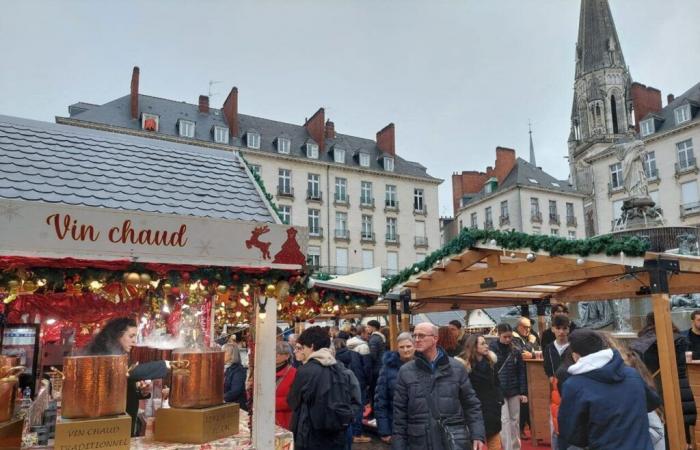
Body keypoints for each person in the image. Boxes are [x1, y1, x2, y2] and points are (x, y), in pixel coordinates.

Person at [558, 329, 661, 450]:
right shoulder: (631, 374)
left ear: (575, 355)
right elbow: (653, 402)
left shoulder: (574, 385)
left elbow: (571, 434)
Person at [392, 322, 485, 450]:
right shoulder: (405, 371)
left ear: (435, 338)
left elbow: (471, 404)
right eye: (415, 336)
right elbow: (399, 414)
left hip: (451, 440)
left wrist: (477, 435)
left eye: (422, 336)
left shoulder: (456, 368)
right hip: (420, 441)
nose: (417, 339)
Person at [84, 317, 170, 437]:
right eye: (131, 336)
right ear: (117, 335)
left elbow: (123, 383)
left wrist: (139, 391)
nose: (134, 341)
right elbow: (123, 372)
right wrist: (165, 364)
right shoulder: (103, 355)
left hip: (124, 419)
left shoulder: (120, 353)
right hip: (108, 423)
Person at [288, 326, 362, 450]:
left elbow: (293, 402)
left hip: (310, 437)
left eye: (302, 347)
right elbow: (356, 402)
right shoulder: (342, 369)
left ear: (311, 346)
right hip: (337, 436)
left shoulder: (305, 371)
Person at [631, 312, 696, 448]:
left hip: (651, 390)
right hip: (678, 387)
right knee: (679, 427)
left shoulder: (638, 345)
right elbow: (680, 370)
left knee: (658, 430)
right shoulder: (678, 340)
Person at [458, 334, 503, 450]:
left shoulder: (491, 363)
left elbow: (497, 383)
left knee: (495, 444)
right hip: (474, 411)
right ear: (473, 347)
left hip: (492, 410)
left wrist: (499, 400)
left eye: (486, 343)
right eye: (482, 343)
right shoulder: (463, 367)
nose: (486, 346)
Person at [489, 323, 527, 450]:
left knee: (515, 421)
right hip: (499, 390)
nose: (508, 339)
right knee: (504, 421)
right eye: (505, 337)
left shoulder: (515, 349)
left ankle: (516, 447)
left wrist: (523, 391)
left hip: (514, 389)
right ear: (498, 335)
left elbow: (521, 372)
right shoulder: (491, 350)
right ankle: (508, 448)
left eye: (510, 337)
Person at [374, 332, 415, 444]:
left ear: (414, 346)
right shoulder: (387, 369)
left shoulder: (422, 366)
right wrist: (384, 431)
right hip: (396, 425)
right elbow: (380, 401)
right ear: (397, 348)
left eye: (408, 346)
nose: (405, 350)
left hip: (419, 426)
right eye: (402, 347)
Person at [542, 315, 571, 450]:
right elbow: (547, 368)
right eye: (558, 328)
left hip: (571, 387)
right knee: (555, 424)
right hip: (555, 389)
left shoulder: (573, 347)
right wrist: (551, 378)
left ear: (568, 329)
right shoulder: (548, 348)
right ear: (553, 329)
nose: (561, 332)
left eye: (564, 328)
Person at [333, 338, 370, 444]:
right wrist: (367, 381)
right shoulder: (354, 354)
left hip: (341, 387)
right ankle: (357, 433)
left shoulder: (332, 358)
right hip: (358, 383)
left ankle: (350, 433)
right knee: (358, 407)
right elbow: (364, 368)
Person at [512, 317, 538, 440]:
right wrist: (531, 344)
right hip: (520, 375)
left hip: (532, 375)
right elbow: (521, 354)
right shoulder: (514, 338)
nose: (528, 330)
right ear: (518, 326)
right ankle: (521, 429)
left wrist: (532, 353)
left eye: (529, 327)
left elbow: (537, 352)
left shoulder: (530, 337)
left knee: (530, 403)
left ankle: (534, 429)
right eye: (525, 327)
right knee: (523, 404)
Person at [275, 341, 297, 430]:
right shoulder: (265, 370)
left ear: (287, 356)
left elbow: (292, 400)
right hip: (264, 417)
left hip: (283, 420)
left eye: (278, 353)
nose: (275, 355)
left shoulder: (294, 373)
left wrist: (268, 402)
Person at [367, 319, 386, 409]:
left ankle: (375, 412)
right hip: (381, 366)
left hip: (376, 369)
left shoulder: (374, 339)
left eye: (368, 327)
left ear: (373, 328)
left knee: (374, 391)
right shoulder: (381, 337)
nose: (367, 329)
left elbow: (372, 356)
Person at [223, 343, 247, 408]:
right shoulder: (224, 368)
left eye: (225, 352)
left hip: (236, 405)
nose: (222, 354)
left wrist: (221, 399)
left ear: (232, 355)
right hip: (225, 404)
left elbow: (236, 390)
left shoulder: (238, 370)